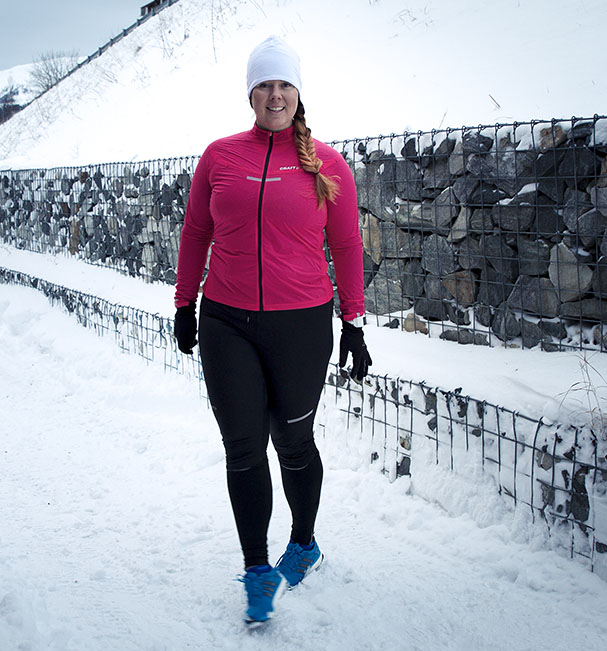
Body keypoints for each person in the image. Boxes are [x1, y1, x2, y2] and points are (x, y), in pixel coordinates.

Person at [173, 35, 371, 625]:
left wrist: (353, 325)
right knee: (241, 447)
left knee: (292, 443)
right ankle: (257, 568)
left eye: (284, 84)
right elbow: (195, 234)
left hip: (301, 325)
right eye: (264, 84)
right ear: (250, 93)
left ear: (297, 93)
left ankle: (303, 543)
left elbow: (346, 244)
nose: (275, 94)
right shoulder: (219, 156)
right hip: (227, 321)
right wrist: (186, 303)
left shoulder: (327, 164)